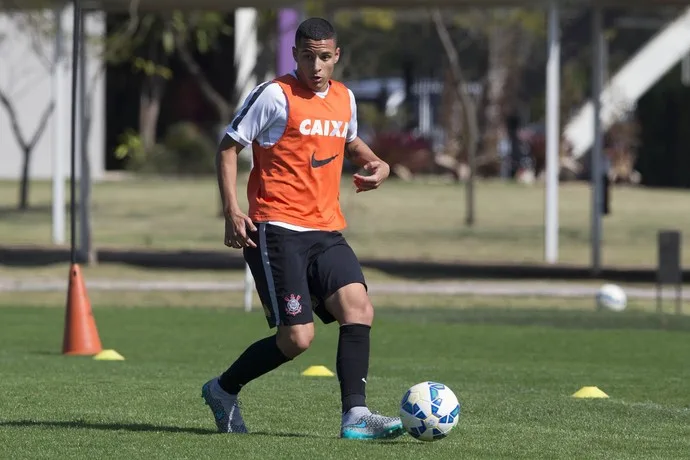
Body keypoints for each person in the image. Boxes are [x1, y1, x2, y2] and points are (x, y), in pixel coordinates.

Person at [202, 17, 404, 440]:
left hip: (327, 229)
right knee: (297, 339)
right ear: (295, 54)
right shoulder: (275, 96)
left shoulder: (345, 98)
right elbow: (228, 146)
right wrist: (231, 211)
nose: (316, 67)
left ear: (337, 57)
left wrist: (377, 163)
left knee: (358, 309)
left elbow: (347, 140)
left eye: (325, 58)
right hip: (277, 230)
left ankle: (356, 417)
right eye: (308, 57)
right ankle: (222, 390)